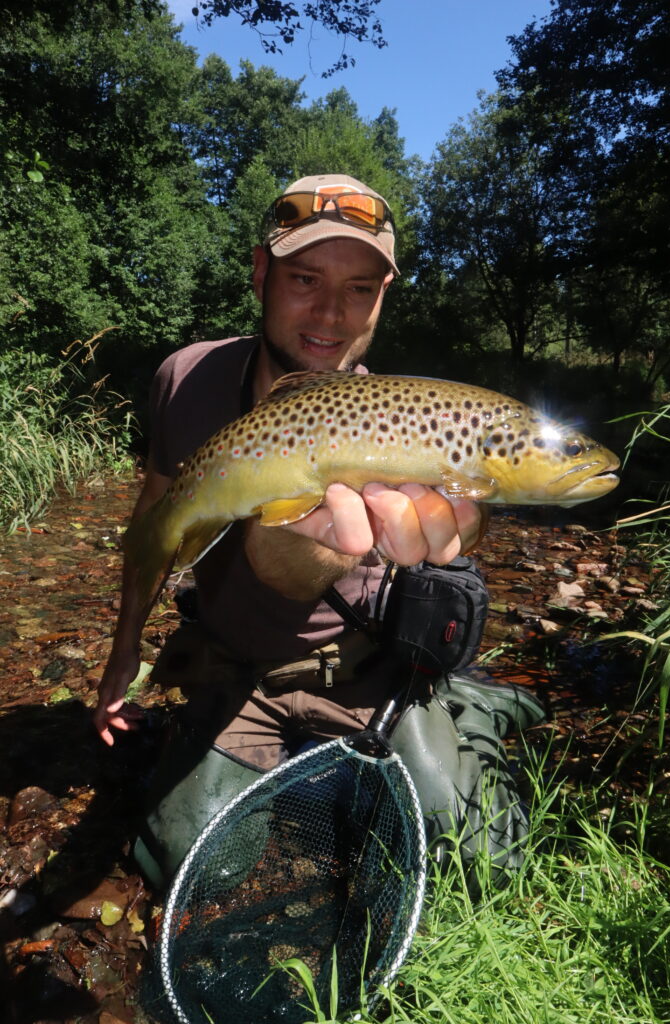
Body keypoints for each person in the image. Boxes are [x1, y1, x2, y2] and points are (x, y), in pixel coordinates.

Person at [94, 173, 544, 890]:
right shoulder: (185, 377)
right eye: (305, 277)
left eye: (360, 288)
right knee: (187, 868)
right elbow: (155, 519)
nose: (330, 313)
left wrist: (369, 533)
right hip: (237, 670)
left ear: (382, 296)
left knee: (472, 861)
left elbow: (290, 574)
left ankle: (471, 703)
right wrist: (122, 654)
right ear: (260, 271)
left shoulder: (394, 426)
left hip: (361, 672)